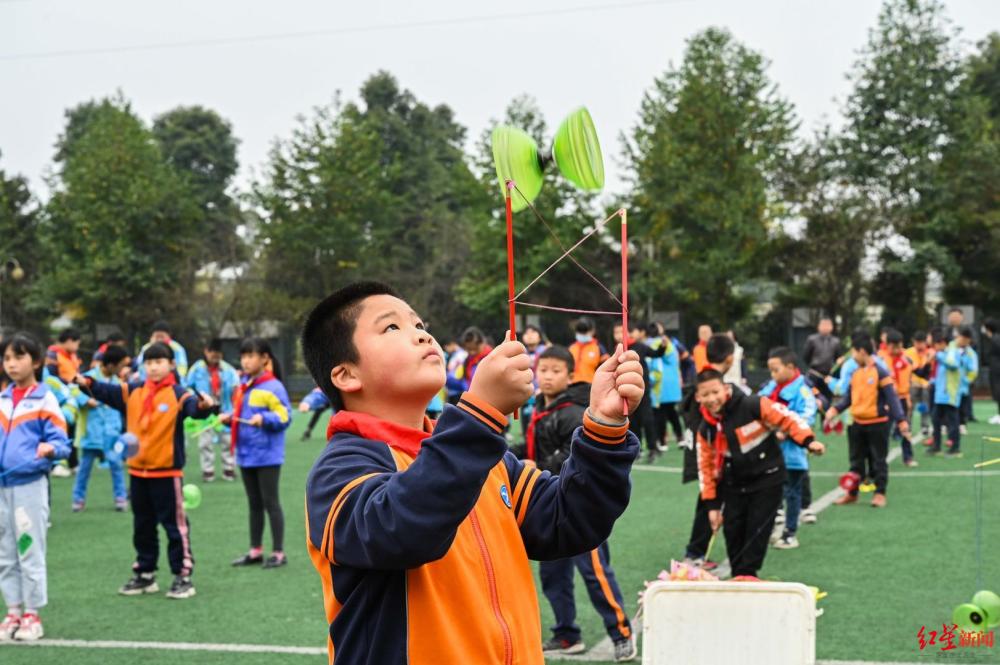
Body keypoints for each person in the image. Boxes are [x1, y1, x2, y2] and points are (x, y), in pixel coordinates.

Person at [301, 282, 642, 664]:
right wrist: (479, 415)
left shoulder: (487, 460)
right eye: (392, 328)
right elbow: (402, 530)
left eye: (419, 323)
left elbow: (570, 520)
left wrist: (603, 424)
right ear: (346, 376)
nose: (421, 334)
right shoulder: (339, 471)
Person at [75, 342, 216, 599]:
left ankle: (183, 576)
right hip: (138, 473)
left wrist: (205, 406)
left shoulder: (179, 394)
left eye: (159, 362)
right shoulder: (133, 391)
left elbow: (195, 409)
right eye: (149, 362)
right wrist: (84, 382)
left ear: (171, 365)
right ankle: (145, 573)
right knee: (142, 525)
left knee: (175, 526)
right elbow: (106, 392)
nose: (153, 367)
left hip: (167, 474)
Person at [524, 346, 635, 660]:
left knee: (596, 573)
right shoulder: (537, 409)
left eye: (555, 371)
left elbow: (573, 453)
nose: (546, 376)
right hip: (547, 504)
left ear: (570, 376)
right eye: (542, 369)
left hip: (577, 504)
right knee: (552, 575)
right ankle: (566, 634)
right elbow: (534, 446)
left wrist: (539, 464)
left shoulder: (572, 411)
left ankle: (621, 633)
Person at [696, 368, 824, 580]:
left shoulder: (752, 404)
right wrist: (712, 506)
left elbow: (788, 418)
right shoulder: (706, 429)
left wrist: (808, 441)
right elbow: (706, 468)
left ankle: (747, 577)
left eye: (715, 392)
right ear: (698, 397)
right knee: (733, 536)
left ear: (725, 388)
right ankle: (741, 578)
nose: (712, 399)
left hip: (768, 479)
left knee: (755, 536)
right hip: (734, 485)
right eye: (705, 395)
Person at [0, 333, 71, 642]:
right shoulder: (1, 400)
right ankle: (12, 611)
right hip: (2, 487)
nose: (12, 364)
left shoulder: (46, 399)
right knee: (5, 553)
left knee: (28, 547)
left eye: (19, 357)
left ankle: (32, 614)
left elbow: (62, 442)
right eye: (7, 358)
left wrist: (50, 449)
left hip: (30, 485)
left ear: (36, 361)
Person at [223, 338, 292, 569]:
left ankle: (279, 552)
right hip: (246, 453)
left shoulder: (273, 387)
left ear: (265, 358)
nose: (246, 361)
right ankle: (255, 551)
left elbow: (285, 417)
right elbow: (239, 418)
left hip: (267, 455)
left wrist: (265, 419)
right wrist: (227, 419)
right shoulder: (242, 386)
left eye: (251, 356)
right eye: (243, 356)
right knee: (254, 504)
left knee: (271, 502)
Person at [678, 333, 744, 567]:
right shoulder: (710, 385)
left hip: (700, 450)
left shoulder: (701, 379)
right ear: (729, 358)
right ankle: (694, 553)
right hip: (707, 453)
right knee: (710, 499)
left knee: (709, 499)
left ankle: (695, 552)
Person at [824, 333, 908, 507]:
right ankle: (852, 493)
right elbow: (848, 398)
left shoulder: (881, 372)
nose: (853, 356)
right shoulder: (855, 373)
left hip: (878, 424)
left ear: (862, 351)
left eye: (854, 352)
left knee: (878, 460)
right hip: (857, 423)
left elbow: (892, 398)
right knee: (855, 461)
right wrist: (834, 409)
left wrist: (901, 420)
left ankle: (880, 493)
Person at [760, 347, 818, 549]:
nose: (772, 375)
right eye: (771, 370)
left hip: (793, 452)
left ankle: (790, 533)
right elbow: (757, 405)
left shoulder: (803, 391)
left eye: (776, 370)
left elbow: (808, 415)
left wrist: (786, 430)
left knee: (792, 493)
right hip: (770, 452)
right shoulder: (770, 388)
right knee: (770, 491)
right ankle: (771, 527)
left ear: (791, 368)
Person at [72, 345, 132, 512]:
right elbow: (72, 390)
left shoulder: (118, 383)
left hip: (112, 433)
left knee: (116, 465)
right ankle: (78, 499)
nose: (124, 369)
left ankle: (120, 498)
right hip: (91, 433)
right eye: (121, 365)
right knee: (84, 468)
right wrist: (86, 401)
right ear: (112, 365)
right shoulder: (88, 377)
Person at [184, 339, 239, 482]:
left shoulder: (228, 370)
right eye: (212, 352)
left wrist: (234, 406)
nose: (215, 355)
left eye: (218, 352)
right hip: (205, 409)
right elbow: (188, 387)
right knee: (205, 442)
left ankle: (229, 469)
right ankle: (207, 470)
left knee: (227, 440)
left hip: (224, 408)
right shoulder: (196, 369)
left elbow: (236, 388)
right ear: (206, 351)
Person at [878, 329, 918, 467]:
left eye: (898, 346)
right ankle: (880, 458)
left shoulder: (907, 360)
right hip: (886, 400)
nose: (895, 349)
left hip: (902, 399)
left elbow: (908, 380)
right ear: (886, 344)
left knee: (906, 428)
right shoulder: (880, 359)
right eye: (892, 346)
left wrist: (907, 398)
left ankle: (908, 457)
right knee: (884, 431)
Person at [648, 323, 684, 449]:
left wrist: (650, 379)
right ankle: (680, 438)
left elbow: (652, 364)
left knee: (660, 415)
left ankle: (662, 441)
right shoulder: (671, 344)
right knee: (672, 413)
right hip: (672, 384)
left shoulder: (652, 344)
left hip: (660, 386)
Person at [802, 317, 840, 403]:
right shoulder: (812, 339)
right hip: (814, 375)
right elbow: (806, 357)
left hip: (828, 376)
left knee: (828, 400)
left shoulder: (835, 341)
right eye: (823, 325)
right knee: (812, 398)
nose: (825, 327)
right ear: (819, 327)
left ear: (831, 327)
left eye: (827, 325)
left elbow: (837, 358)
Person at [905, 331, 933, 437]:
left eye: (921, 342)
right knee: (909, 405)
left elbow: (929, 371)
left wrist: (925, 383)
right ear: (913, 342)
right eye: (917, 342)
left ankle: (925, 426)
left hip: (926, 384)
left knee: (925, 405)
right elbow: (907, 370)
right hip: (912, 384)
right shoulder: (908, 353)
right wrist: (912, 382)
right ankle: (907, 425)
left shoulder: (930, 353)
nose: (919, 345)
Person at [520, 324, 549, 424]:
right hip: (525, 394)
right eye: (526, 333)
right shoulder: (521, 353)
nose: (529, 335)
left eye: (533, 332)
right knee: (525, 421)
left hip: (542, 393)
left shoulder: (546, 351)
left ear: (539, 336)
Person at [569, 317, 608, 384]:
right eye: (580, 331)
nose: (582, 334)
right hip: (572, 386)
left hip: (591, 386)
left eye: (585, 331)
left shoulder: (599, 348)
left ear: (593, 331)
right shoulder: (571, 348)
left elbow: (606, 369)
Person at [955, 326, 979, 436]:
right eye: (961, 338)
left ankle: (962, 425)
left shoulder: (971, 353)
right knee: (948, 407)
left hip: (963, 386)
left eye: (966, 339)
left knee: (962, 407)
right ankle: (946, 425)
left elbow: (973, 370)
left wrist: (966, 381)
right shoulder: (951, 349)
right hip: (949, 385)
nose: (963, 341)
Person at [459, 326, 492, 393]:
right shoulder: (467, 360)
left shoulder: (491, 358)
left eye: (475, 349)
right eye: (469, 349)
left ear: (483, 343)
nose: (472, 352)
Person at [983, 319, 1000, 425]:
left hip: (998, 370)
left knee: (998, 392)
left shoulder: (996, 339)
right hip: (995, 369)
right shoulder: (993, 339)